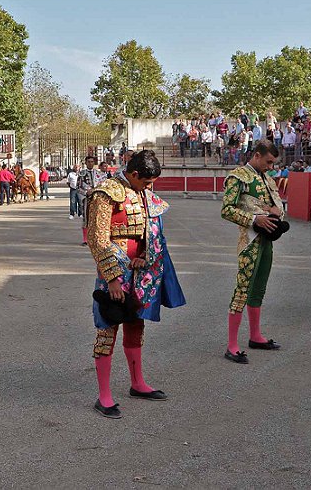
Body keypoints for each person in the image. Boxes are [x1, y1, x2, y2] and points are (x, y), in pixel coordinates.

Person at [86, 150, 185, 418]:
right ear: (134, 174)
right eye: (147, 182)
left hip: (140, 271)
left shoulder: (142, 192)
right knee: (108, 327)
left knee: (135, 323)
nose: (149, 188)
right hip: (114, 271)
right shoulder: (105, 193)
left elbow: (151, 233)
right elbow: (97, 238)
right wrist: (113, 278)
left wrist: (144, 255)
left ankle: (137, 383)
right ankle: (104, 396)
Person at [220, 140, 285, 364]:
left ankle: (255, 336)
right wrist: (255, 218)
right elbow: (226, 210)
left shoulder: (267, 179)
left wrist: (274, 212)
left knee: (259, 288)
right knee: (242, 289)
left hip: (267, 240)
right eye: (268, 162)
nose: (270, 167)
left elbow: (277, 207)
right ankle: (232, 345)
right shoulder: (238, 176)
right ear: (257, 155)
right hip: (249, 240)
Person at [78, 156, 108, 246]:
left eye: (92, 162)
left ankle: (98, 238)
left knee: (98, 217)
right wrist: (86, 192)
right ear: (86, 163)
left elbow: (104, 185)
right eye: (89, 162)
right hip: (87, 199)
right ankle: (85, 239)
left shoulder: (99, 174)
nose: (90, 163)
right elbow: (78, 187)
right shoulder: (82, 174)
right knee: (86, 218)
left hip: (98, 198)